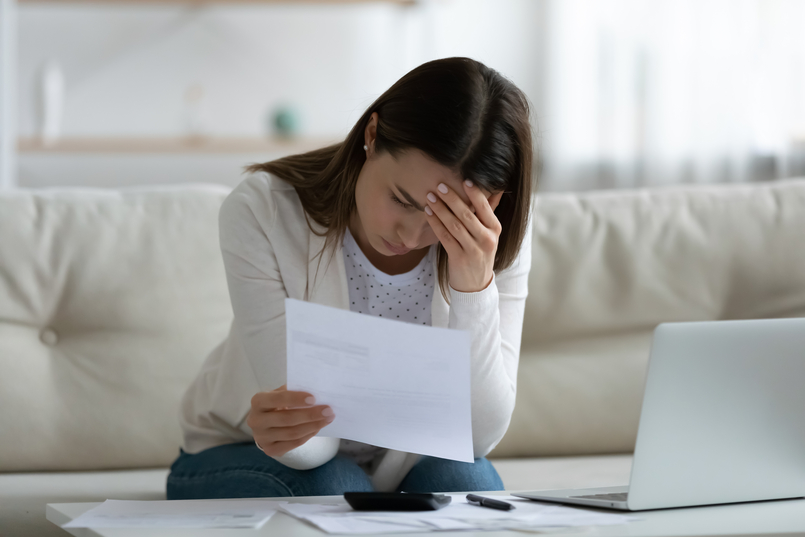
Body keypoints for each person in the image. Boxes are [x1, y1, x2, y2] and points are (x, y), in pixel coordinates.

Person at [167, 57, 535, 500]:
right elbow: (313, 446)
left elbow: (475, 441)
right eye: (401, 199)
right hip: (244, 450)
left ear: (489, 203)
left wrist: (473, 286)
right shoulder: (263, 210)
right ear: (372, 135)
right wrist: (287, 433)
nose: (412, 236)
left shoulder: (495, 237)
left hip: (402, 462)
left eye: (442, 218)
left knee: (467, 482)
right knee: (337, 487)